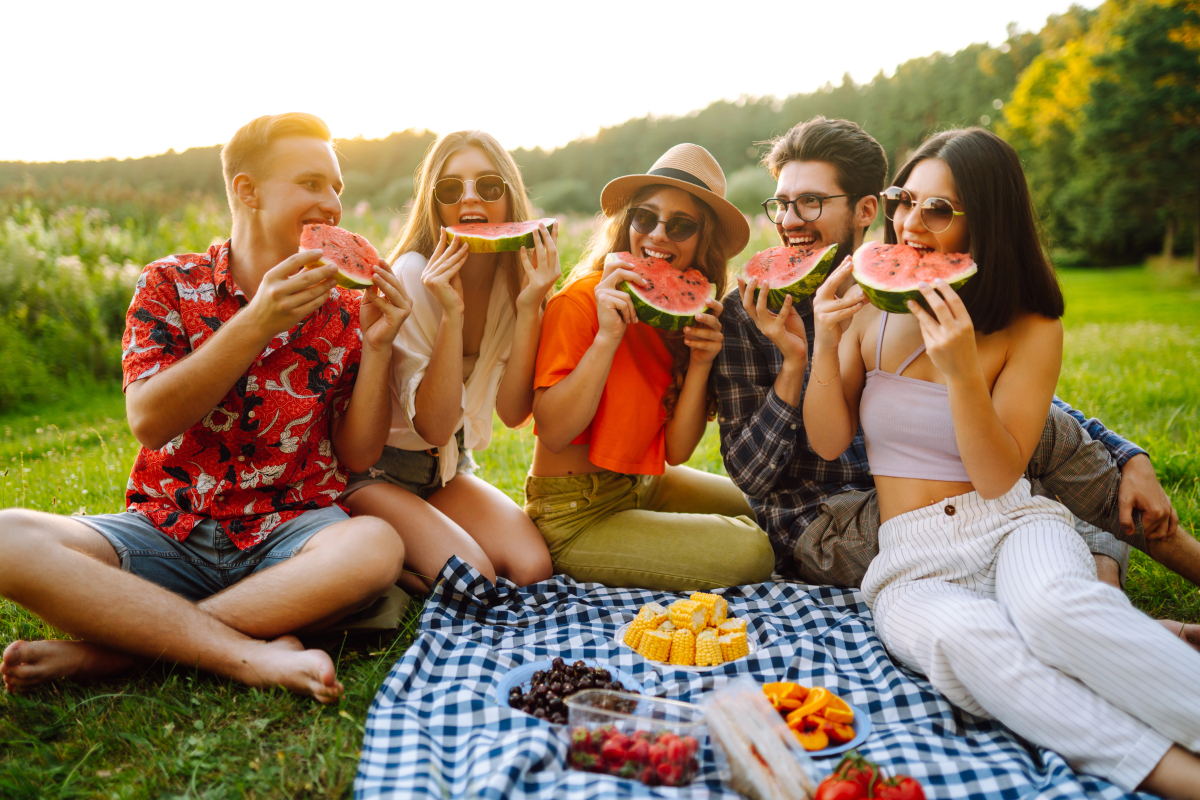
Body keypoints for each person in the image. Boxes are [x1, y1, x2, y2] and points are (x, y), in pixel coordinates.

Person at [803, 127, 1200, 798]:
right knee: (979, 649)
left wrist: (961, 374)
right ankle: (1181, 777)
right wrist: (827, 335)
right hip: (910, 561)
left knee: (1057, 610)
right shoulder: (872, 308)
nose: (910, 223)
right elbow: (827, 440)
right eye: (906, 200)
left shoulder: (1031, 326)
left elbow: (997, 476)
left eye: (938, 210)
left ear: (987, 221)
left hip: (1012, 523)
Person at [0, 113, 412, 702]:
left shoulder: (345, 310)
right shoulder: (168, 284)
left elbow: (357, 453)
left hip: (291, 534)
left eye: (336, 188)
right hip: (167, 530)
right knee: (7, 537)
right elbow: (150, 421)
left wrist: (376, 347)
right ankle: (245, 654)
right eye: (311, 183)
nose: (332, 203)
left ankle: (115, 651)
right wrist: (257, 322)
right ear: (247, 190)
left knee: (375, 545)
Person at [715, 116, 1200, 616]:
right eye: (781, 204)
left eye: (810, 202)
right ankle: (1102, 580)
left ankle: (1118, 578)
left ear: (865, 210)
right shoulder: (747, 313)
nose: (790, 219)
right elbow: (751, 477)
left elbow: (1001, 391)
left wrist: (1126, 454)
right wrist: (798, 366)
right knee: (1027, 495)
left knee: (1037, 437)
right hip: (833, 517)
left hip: (940, 480)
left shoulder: (892, 290)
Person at [526, 144, 775, 591]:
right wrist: (607, 337)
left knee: (766, 509)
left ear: (704, 242)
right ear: (628, 224)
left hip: (642, 484)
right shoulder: (581, 301)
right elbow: (555, 429)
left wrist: (700, 362)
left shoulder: (677, 316)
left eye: (680, 225)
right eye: (645, 217)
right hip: (574, 514)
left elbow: (675, 453)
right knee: (754, 550)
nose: (658, 235)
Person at [340, 131, 554, 591]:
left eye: (489, 186)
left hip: (447, 469)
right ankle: (367, 546)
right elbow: (434, 427)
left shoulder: (513, 281)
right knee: (475, 578)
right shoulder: (413, 275)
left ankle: (416, 547)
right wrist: (451, 316)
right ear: (434, 204)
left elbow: (514, 413)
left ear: (510, 198)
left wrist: (530, 307)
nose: (471, 198)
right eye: (451, 188)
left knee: (533, 568)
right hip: (379, 473)